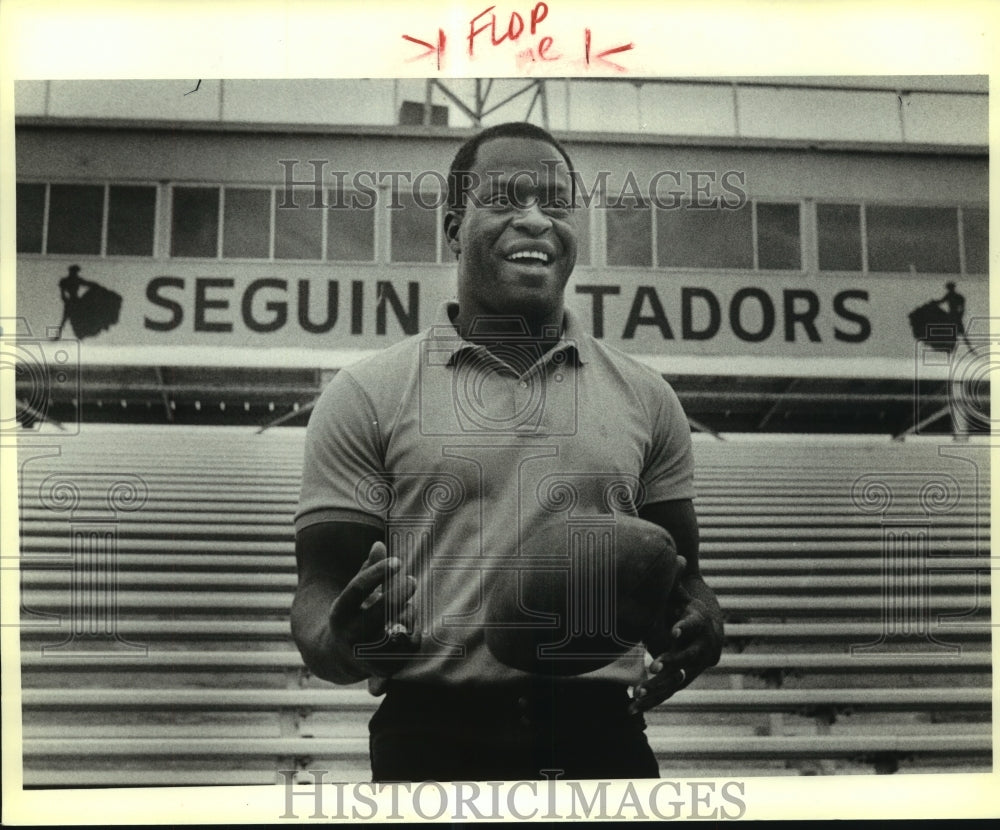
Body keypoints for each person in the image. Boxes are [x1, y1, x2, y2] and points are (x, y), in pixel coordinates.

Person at [291, 122, 724, 782]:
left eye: (556, 203)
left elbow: (681, 577)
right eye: (504, 199)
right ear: (453, 227)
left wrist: (700, 624)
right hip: (431, 736)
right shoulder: (365, 393)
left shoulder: (646, 396)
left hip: (598, 733)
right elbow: (320, 591)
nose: (535, 220)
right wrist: (342, 641)